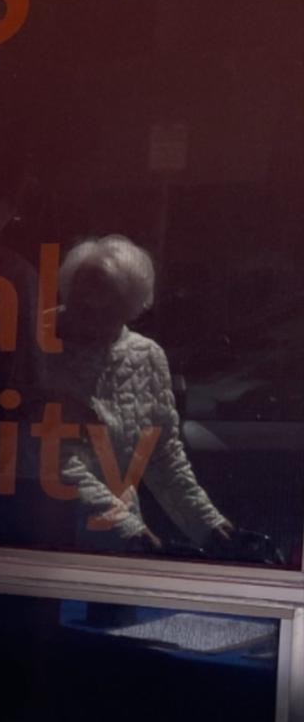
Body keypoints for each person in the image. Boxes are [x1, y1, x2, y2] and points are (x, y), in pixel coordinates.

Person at [41, 233, 240, 557]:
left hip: (121, 533)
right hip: (39, 528)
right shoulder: (32, 342)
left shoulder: (146, 357)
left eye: (108, 303)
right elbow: (49, 457)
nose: (91, 307)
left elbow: (161, 454)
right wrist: (123, 525)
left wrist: (207, 524)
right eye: (83, 297)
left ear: (132, 307)